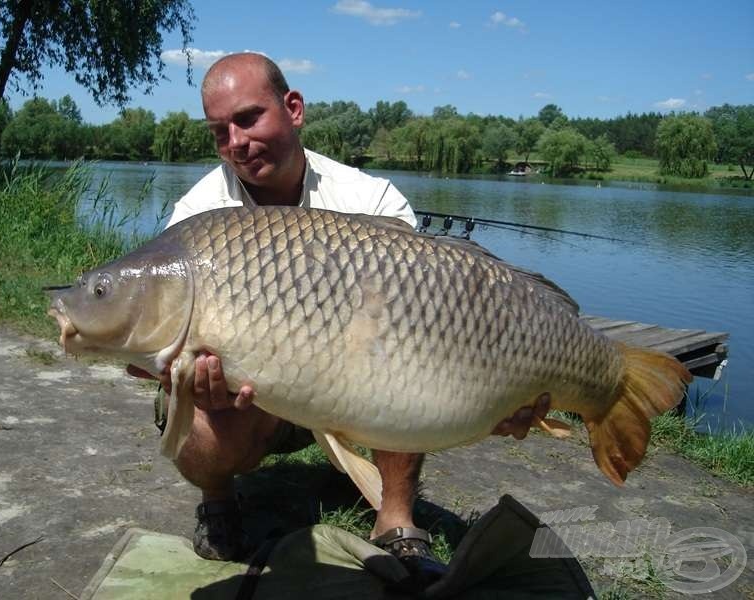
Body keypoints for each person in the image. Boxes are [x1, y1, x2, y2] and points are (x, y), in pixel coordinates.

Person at [128, 53, 550, 577]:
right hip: (251, 393)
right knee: (196, 392)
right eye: (219, 131)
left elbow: (425, 328)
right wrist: (183, 378)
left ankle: (395, 517)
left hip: (353, 379)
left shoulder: (370, 200)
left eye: (248, 118)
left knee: (397, 363)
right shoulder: (199, 217)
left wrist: (496, 401)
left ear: (294, 108)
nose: (235, 142)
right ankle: (219, 499)